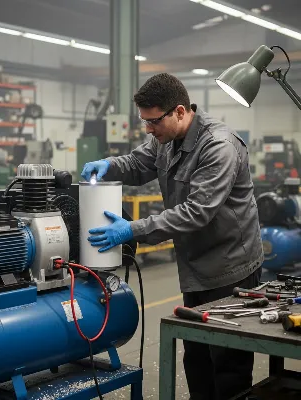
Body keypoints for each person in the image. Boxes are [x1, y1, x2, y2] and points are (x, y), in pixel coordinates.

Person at [81, 73, 263, 400]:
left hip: (230, 268)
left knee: (227, 364)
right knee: (197, 357)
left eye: (153, 122)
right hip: (195, 266)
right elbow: (139, 162)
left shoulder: (218, 146)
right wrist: (109, 165)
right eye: (144, 123)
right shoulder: (166, 138)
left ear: (179, 111)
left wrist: (132, 228)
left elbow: (197, 211)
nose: (148, 130)